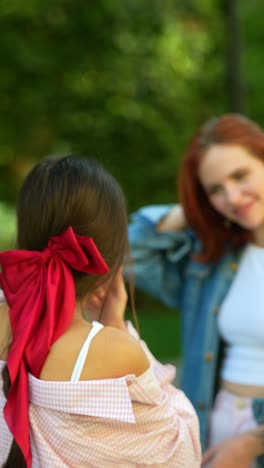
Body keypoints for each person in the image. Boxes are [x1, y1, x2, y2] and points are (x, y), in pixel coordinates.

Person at [0, 155, 201, 468]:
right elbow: (180, 452)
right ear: (109, 259)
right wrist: (118, 326)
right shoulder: (113, 349)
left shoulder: (4, 327)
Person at [128, 114, 264, 468]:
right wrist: (194, 212)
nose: (232, 197)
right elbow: (127, 254)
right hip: (212, 425)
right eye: (215, 190)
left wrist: (251, 444)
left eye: (239, 175)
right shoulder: (214, 262)